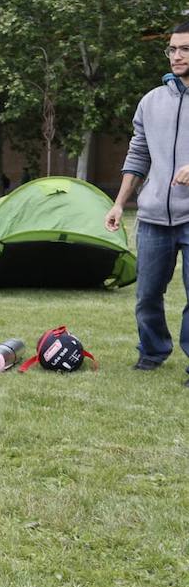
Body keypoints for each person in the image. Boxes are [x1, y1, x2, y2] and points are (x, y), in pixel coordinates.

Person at [105, 21, 189, 384]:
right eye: (172, 48)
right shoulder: (151, 101)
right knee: (146, 295)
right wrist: (119, 203)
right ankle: (153, 351)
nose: (177, 55)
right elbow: (138, 154)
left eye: (184, 48)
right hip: (154, 216)